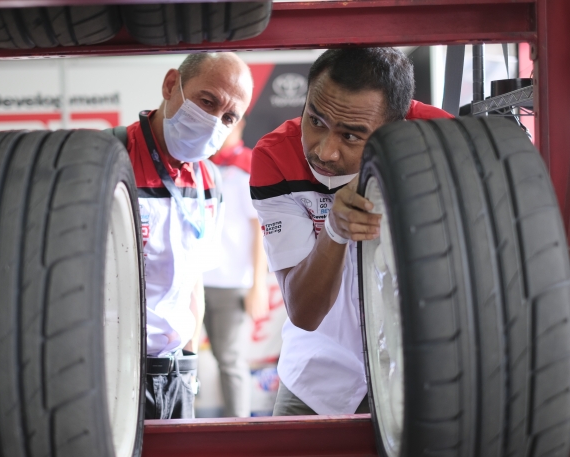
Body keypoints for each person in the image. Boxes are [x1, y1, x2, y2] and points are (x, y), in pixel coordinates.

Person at [249, 48, 452, 416]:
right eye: (316, 120)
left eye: (351, 136)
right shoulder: (275, 157)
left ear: (396, 126)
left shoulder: (441, 141)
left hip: (422, 373)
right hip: (317, 380)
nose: (325, 151)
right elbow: (304, 312)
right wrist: (334, 231)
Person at [120, 52, 253, 419]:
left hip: (175, 373)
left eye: (229, 117)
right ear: (169, 85)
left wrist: (190, 361)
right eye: (207, 101)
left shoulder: (210, 180)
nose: (214, 123)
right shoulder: (110, 158)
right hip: (111, 371)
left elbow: (194, 282)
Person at [202, 119, 269, 417]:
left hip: (232, 284)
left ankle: (239, 431)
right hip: (197, 280)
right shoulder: (201, 165)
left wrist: (258, 285)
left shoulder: (248, 166)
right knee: (186, 357)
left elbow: (260, 231)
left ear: (240, 124)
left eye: (227, 122)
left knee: (230, 361)